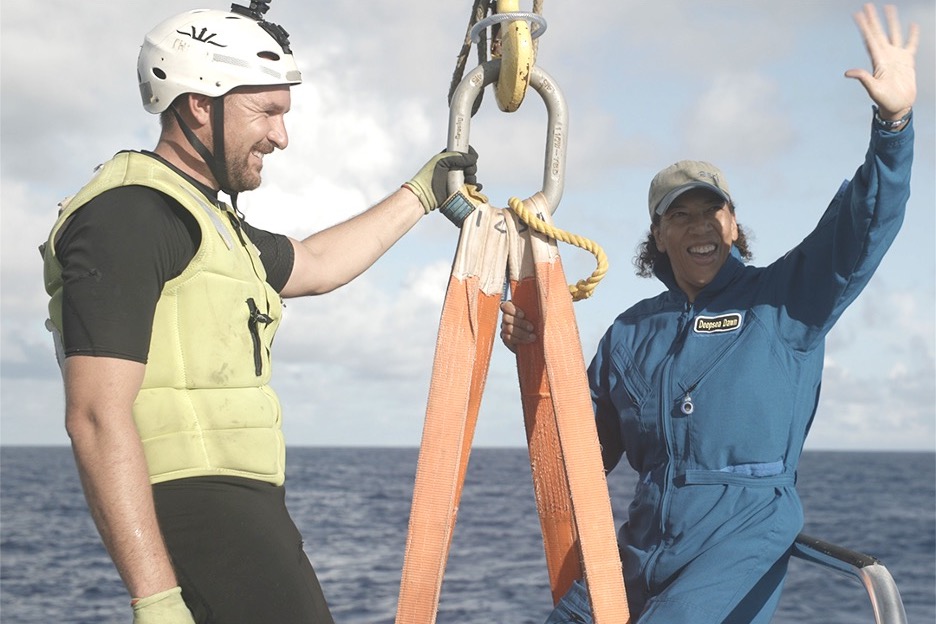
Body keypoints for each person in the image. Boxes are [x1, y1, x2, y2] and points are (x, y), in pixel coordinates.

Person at [40, 3, 479, 623]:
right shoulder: (129, 215)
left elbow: (317, 262)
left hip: (243, 506)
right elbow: (92, 413)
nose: (281, 136)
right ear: (199, 104)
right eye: (267, 112)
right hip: (196, 506)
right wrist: (157, 600)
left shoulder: (213, 224)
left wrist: (422, 193)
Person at [500, 4, 917, 622]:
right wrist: (534, 358)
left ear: (733, 223)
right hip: (644, 540)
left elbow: (862, 226)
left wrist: (893, 124)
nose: (701, 227)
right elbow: (583, 455)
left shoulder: (786, 302)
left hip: (740, 536)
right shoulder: (630, 333)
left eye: (712, 211)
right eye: (681, 215)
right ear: (659, 235)